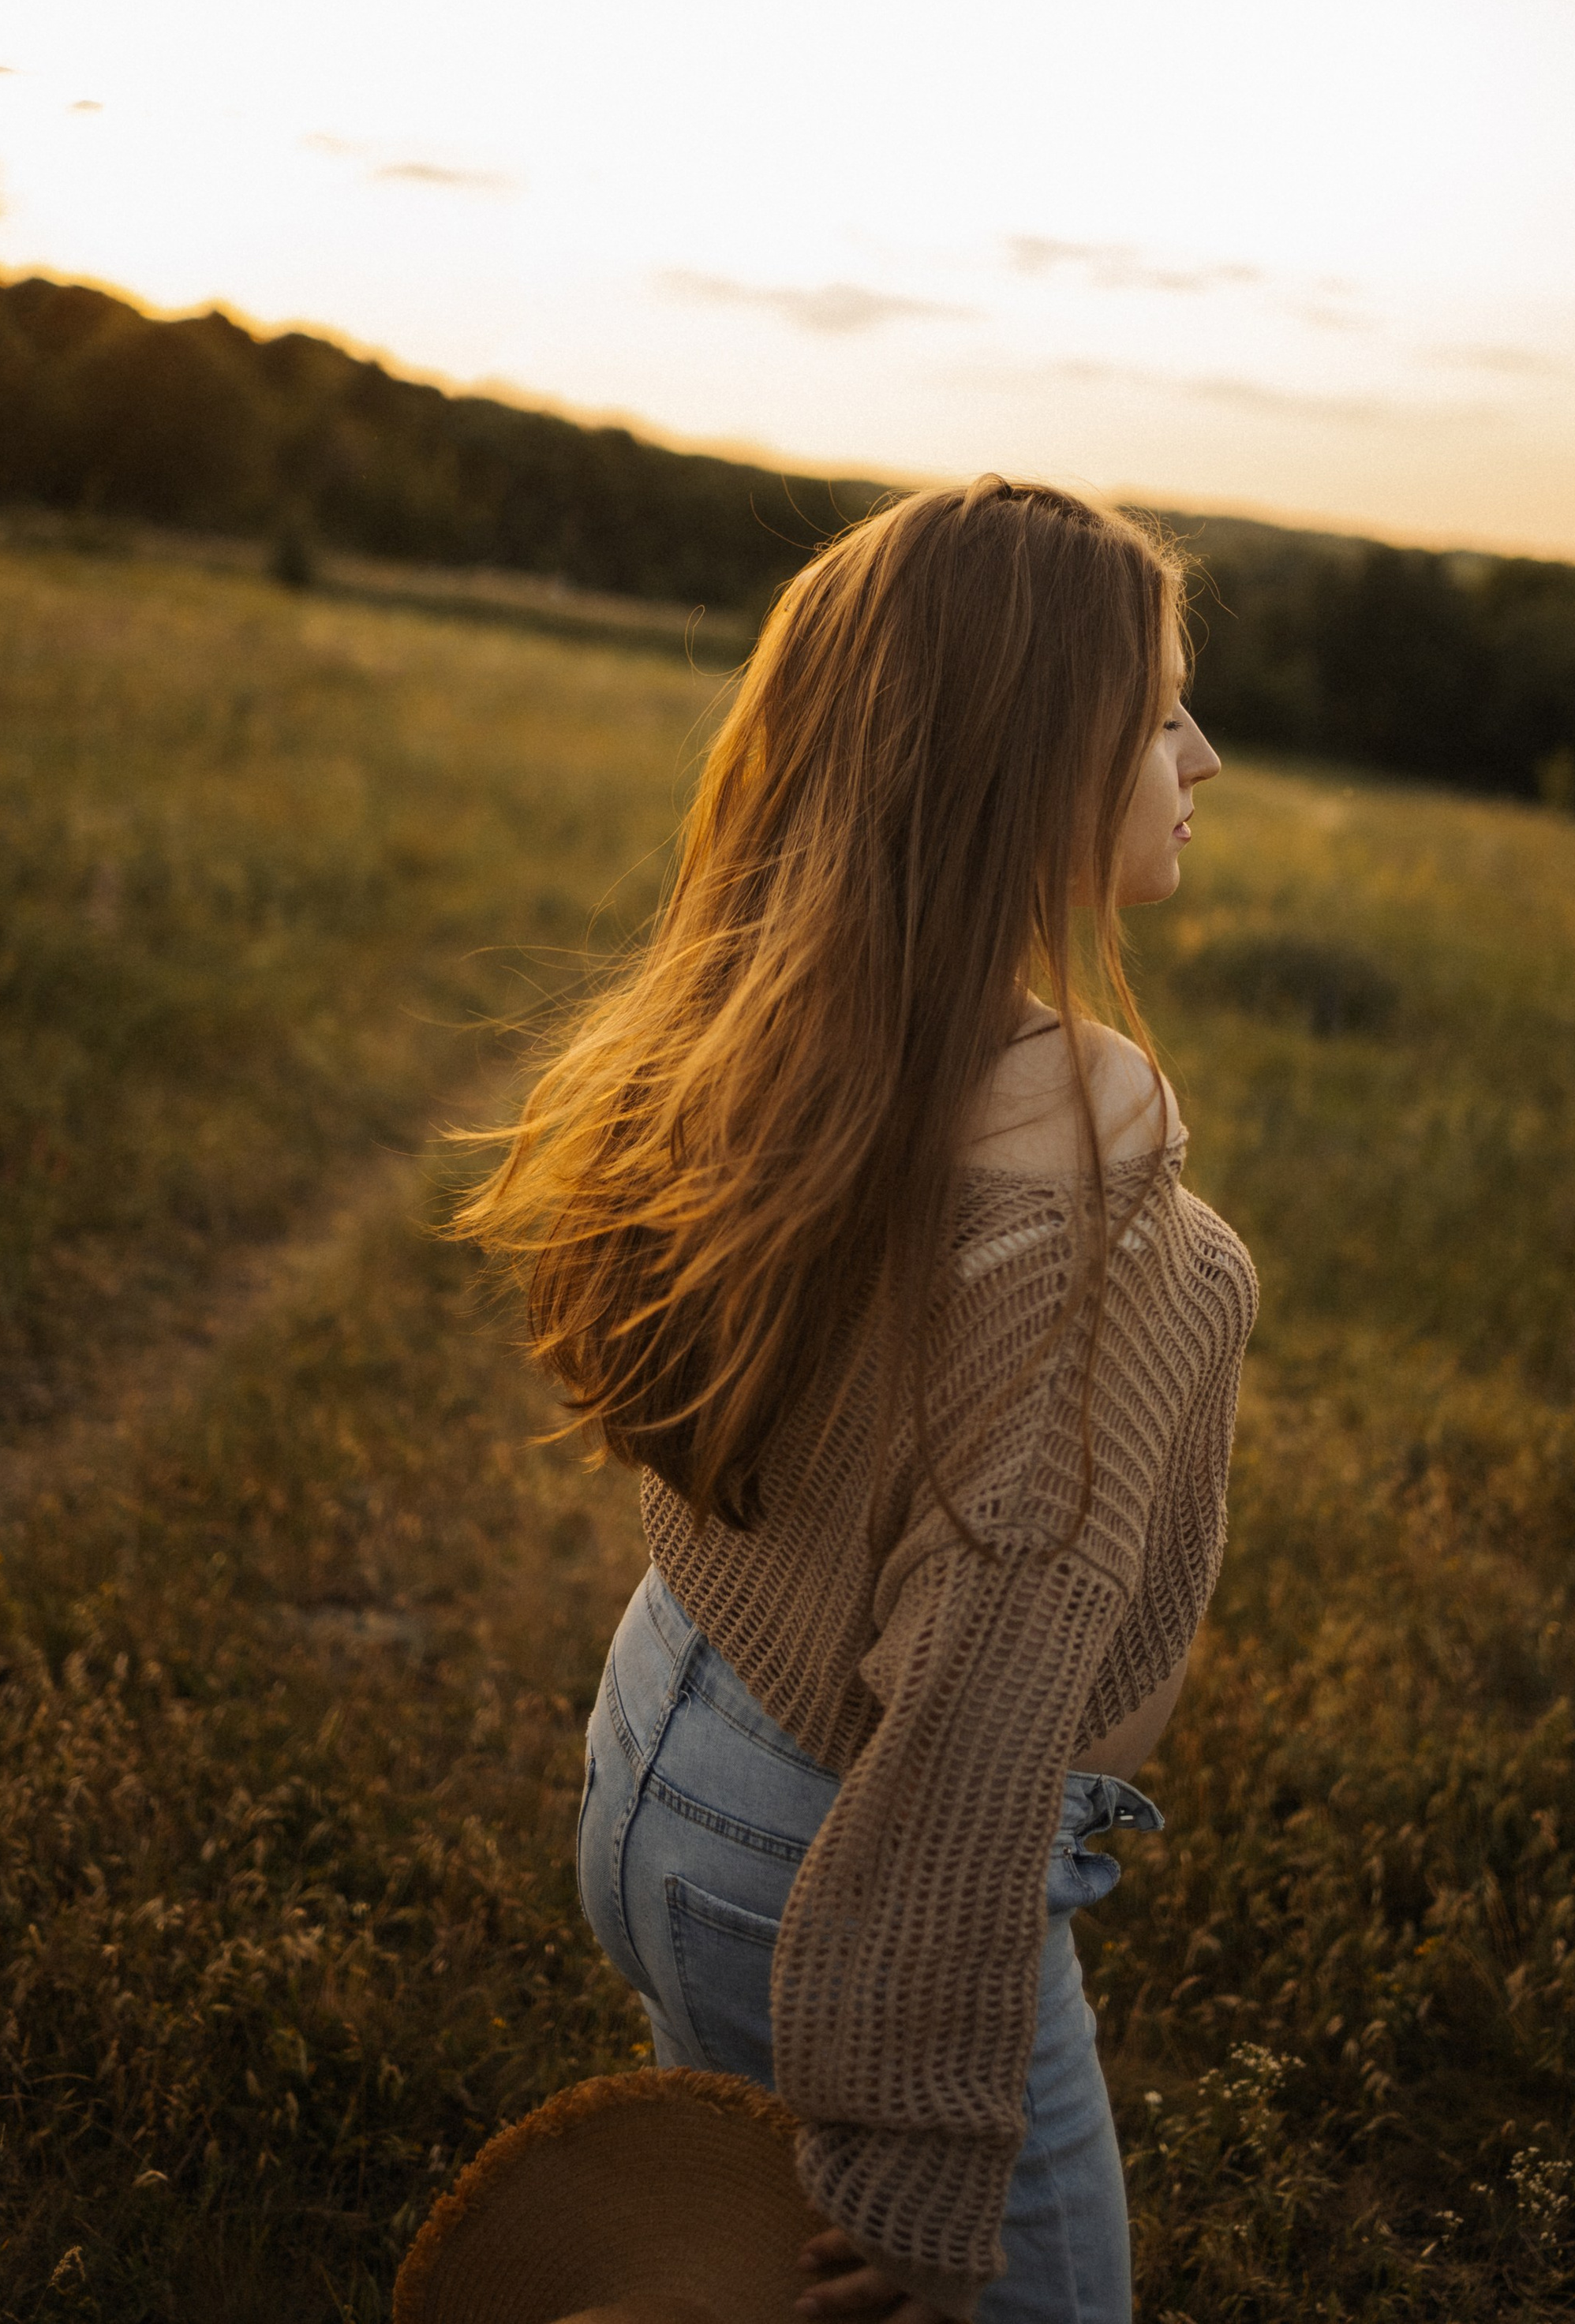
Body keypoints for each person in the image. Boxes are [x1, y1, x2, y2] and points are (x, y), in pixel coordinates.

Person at [458, 476, 1257, 2324]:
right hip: (846, 1848)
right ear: (1023, 764)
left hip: (662, 1747)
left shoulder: (808, 1035)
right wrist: (911, 2157)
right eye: (1154, 714)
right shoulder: (1090, 1192)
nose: (1199, 755)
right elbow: (980, 1683)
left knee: (746, 2280)